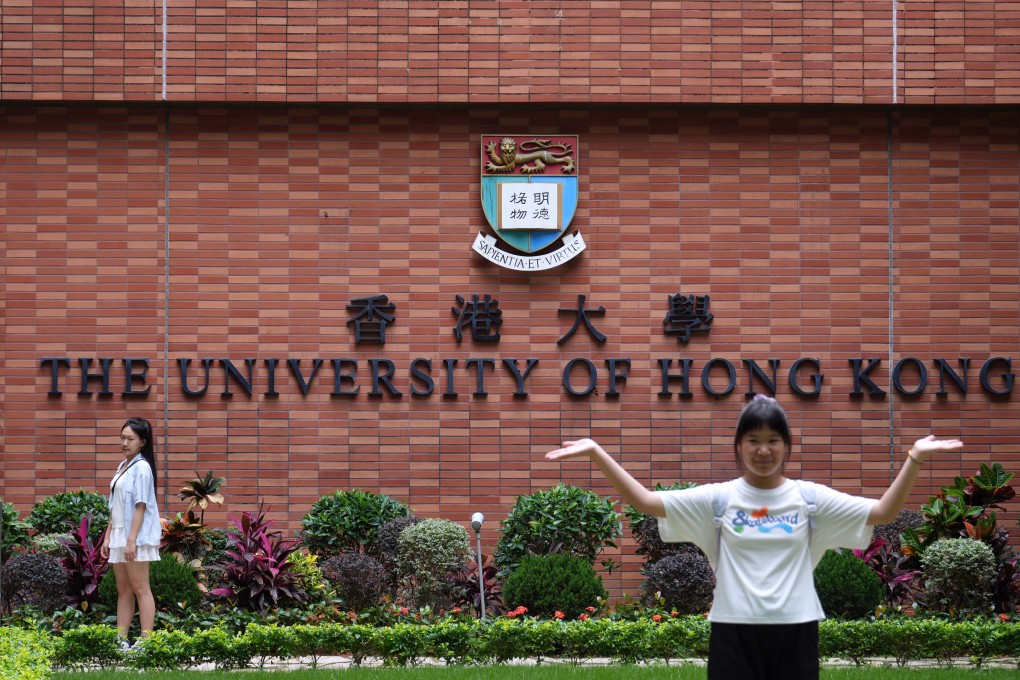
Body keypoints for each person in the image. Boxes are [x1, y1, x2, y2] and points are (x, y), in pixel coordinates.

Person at [545, 395, 963, 680]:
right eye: (754, 440)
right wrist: (597, 452)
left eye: (772, 440)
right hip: (733, 629)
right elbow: (647, 502)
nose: (763, 450)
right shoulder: (719, 498)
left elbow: (882, 512)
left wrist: (914, 458)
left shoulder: (809, 499)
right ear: (739, 446)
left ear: (786, 445)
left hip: (795, 628)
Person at [100, 417, 162, 649]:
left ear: (142, 442)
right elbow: (114, 506)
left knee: (140, 589)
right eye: (122, 438)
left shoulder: (142, 468)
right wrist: (108, 536)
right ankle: (120, 640)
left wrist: (131, 541)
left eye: (130, 439)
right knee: (124, 590)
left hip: (134, 537)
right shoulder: (123, 466)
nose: (124, 443)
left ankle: (146, 642)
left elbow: (140, 506)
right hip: (119, 534)